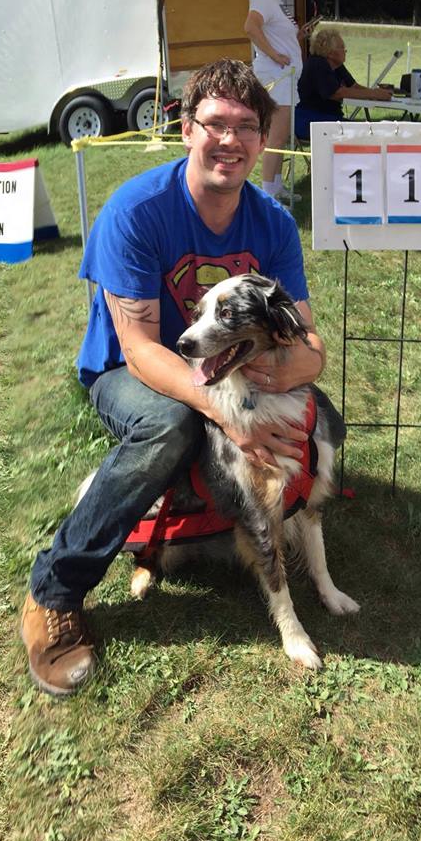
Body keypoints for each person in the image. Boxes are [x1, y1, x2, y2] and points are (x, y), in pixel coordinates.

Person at [21, 59, 330, 696]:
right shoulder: (137, 211)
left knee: (319, 412)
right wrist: (229, 414)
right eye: (215, 123)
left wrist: (287, 379)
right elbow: (137, 349)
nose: (231, 140)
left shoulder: (271, 222)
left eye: (247, 127)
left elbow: (308, 347)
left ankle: (274, 519)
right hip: (130, 370)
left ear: (262, 139)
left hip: (228, 365)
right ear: (185, 129)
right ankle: (54, 590)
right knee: (171, 424)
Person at [244, 0, 313, 202]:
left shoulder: (272, 0)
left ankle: (275, 185)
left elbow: (272, 33)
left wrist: (296, 36)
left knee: (281, 135)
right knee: (276, 136)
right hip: (277, 76)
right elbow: (250, 27)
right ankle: (268, 193)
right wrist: (274, 54)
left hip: (284, 76)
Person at [295, 28, 393, 139]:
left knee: (368, 132)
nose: (345, 50)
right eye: (341, 47)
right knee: (367, 134)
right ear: (330, 52)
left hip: (329, 119)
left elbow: (353, 86)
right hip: (312, 120)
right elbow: (337, 93)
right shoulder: (318, 64)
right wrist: (374, 94)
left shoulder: (337, 65)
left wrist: (377, 93)